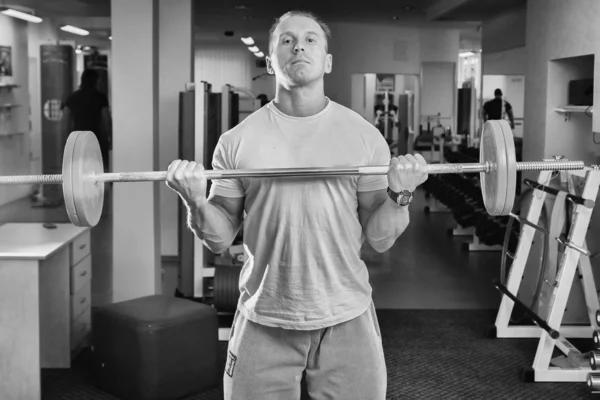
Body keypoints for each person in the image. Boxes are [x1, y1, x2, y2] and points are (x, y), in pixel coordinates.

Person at [165, 10, 428, 400]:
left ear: (327, 60)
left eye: (310, 39)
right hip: (265, 314)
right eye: (286, 40)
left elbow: (380, 237)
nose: (298, 46)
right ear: (271, 60)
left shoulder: (363, 136)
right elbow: (219, 239)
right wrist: (194, 201)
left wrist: (401, 195)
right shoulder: (237, 141)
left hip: (346, 314)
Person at [62, 69, 112, 171]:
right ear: (95, 81)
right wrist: (110, 138)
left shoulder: (72, 98)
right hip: (96, 138)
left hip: (77, 139)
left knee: (78, 169)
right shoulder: (101, 98)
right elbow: (106, 119)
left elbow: (65, 122)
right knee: (97, 169)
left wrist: (67, 141)